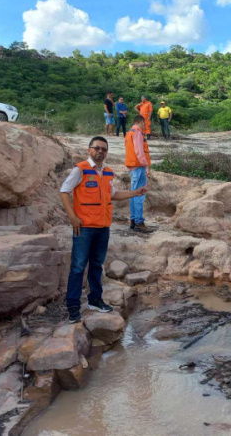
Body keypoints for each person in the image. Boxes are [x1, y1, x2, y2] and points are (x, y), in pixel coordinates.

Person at [60, 136, 148, 323]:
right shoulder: (80, 169)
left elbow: (113, 194)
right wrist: (72, 217)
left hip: (103, 227)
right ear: (89, 150)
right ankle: (73, 307)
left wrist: (135, 192)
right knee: (77, 267)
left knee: (97, 265)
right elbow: (64, 191)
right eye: (97, 148)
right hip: (84, 228)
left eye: (104, 149)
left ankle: (95, 300)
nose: (100, 151)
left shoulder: (108, 172)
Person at [125, 115, 155, 234]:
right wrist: (145, 165)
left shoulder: (129, 133)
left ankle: (133, 221)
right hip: (138, 167)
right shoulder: (137, 133)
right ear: (141, 122)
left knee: (134, 194)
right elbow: (139, 151)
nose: (145, 126)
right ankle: (139, 222)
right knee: (139, 194)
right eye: (145, 123)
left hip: (133, 167)